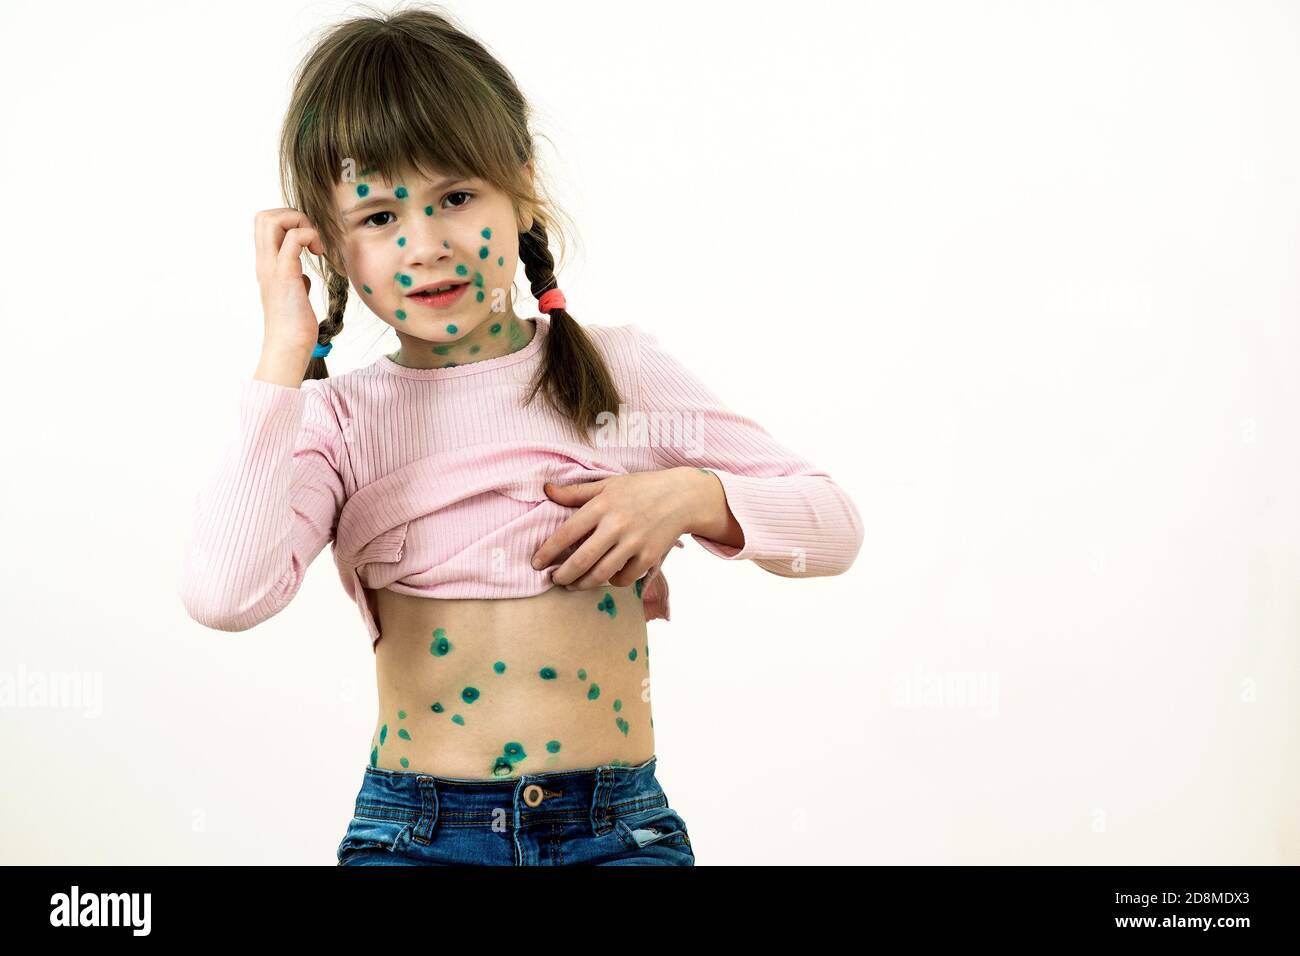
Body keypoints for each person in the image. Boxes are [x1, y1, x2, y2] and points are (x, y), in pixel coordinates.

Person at [179, 4, 864, 866]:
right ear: (328, 245)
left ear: (522, 189)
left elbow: (833, 527)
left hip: (618, 831)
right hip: (417, 835)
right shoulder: (339, 420)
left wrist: (694, 496)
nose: (426, 246)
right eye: (379, 217)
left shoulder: (617, 374)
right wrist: (284, 356)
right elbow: (222, 594)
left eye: (456, 198)